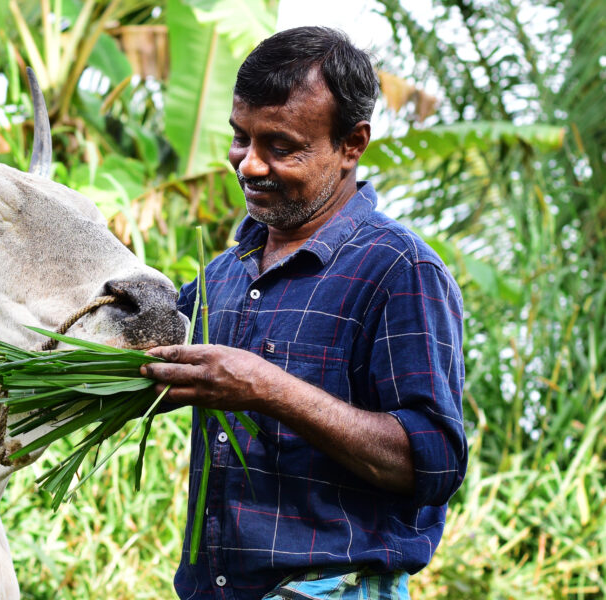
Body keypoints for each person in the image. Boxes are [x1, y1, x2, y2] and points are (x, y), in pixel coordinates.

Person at [140, 26, 467, 599]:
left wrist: (267, 389)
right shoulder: (224, 273)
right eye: (241, 138)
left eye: (281, 147)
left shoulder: (399, 269)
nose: (249, 165)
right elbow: (147, 364)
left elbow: (431, 464)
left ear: (351, 145)